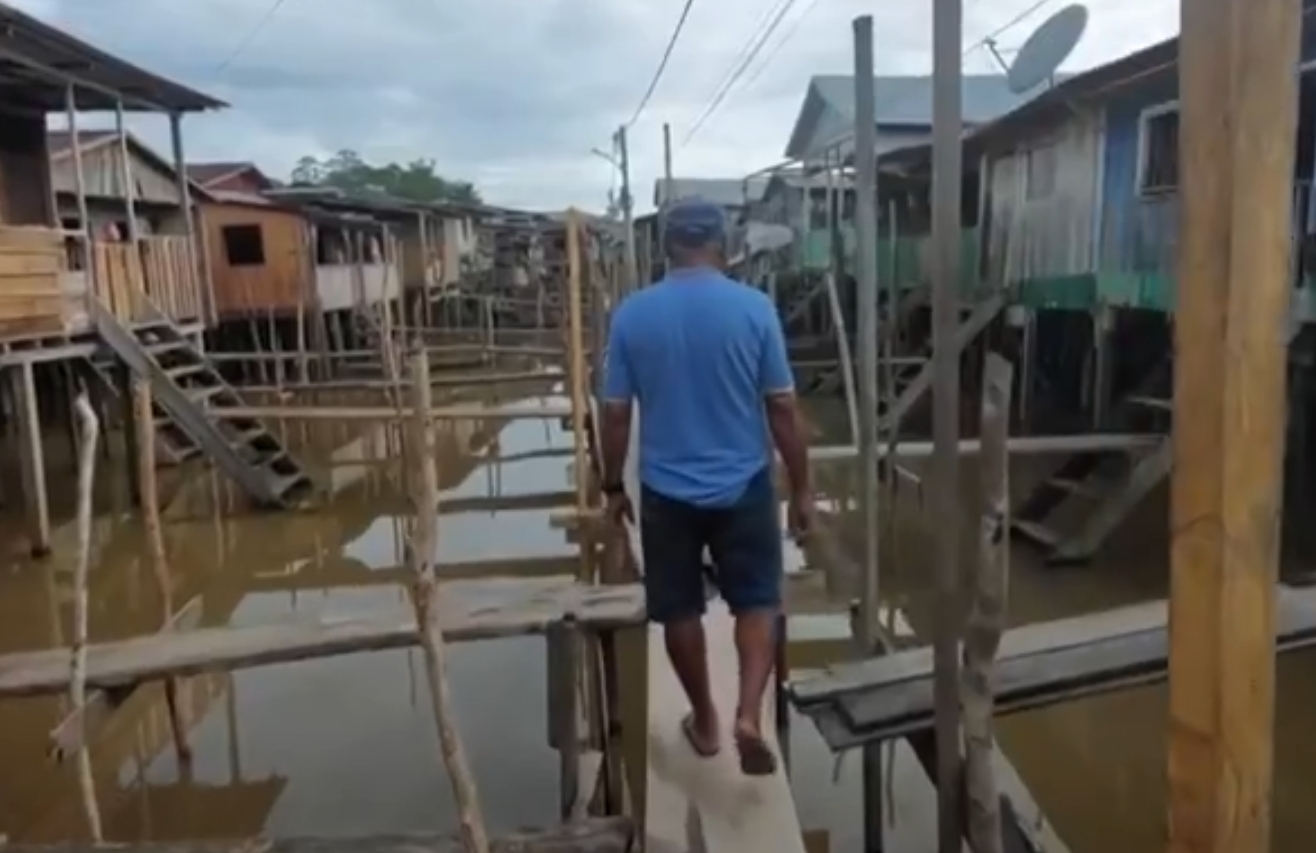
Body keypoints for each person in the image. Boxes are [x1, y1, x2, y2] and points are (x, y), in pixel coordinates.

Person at [597, 197, 814, 776]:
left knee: (679, 609)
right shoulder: (755, 309)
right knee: (758, 600)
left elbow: (615, 415)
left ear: (666, 246)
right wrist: (803, 488)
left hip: (666, 492)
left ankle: (707, 721)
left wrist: (611, 486)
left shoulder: (632, 315)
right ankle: (749, 714)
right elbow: (783, 409)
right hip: (745, 484)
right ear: (722, 243)